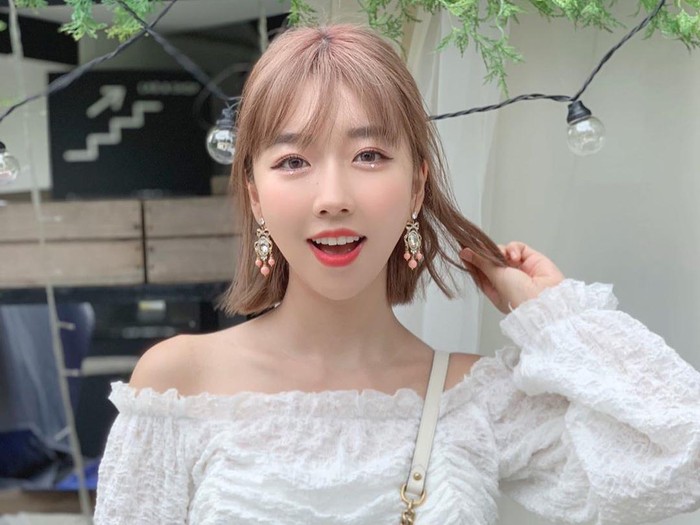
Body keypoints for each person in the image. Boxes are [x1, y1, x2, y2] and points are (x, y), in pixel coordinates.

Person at [94, 24, 700, 525]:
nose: (333, 198)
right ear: (254, 193)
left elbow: (681, 470)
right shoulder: (179, 385)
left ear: (416, 186)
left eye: (369, 155)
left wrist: (554, 316)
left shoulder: (475, 400)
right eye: (294, 160)